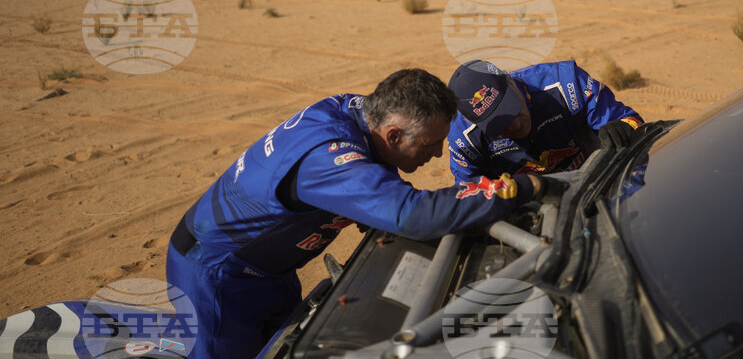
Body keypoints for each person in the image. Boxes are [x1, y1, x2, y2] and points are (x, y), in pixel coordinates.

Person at [166, 69, 546, 359]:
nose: (436, 155)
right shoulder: (329, 156)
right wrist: (516, 189)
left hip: (267, 269)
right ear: (394, 135)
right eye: (430, 145)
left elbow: (383, 194)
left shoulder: (362, 115)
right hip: (217, 277)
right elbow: (409, 214)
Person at [447, 59, 643, 181]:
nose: (515, 125)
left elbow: (631, 121)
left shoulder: (567, 84)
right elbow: (468, 192)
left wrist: (622, 127)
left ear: (511, 81)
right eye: (500, 125)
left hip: (597, 186)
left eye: (513, 110)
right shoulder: (464, 139)